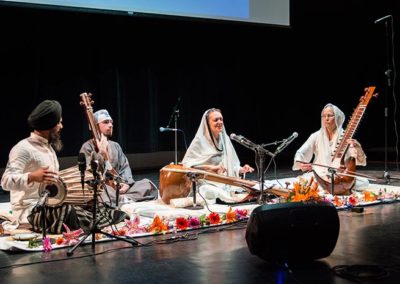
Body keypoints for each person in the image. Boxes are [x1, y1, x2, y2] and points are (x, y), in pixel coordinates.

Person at [1, 100, 127, 233]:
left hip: (52, 204)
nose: (61, 126)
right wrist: (32, 177)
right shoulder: (23, 148)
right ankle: (96, 222)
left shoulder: (48, 149)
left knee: (93, 205)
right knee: (68, 211)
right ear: (49, 125)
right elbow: (5, 181)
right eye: (59, 122)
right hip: (31, 210)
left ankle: (99, 219)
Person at [80, 109, 158, 207]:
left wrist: (126, 184)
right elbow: (90, 175)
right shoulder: (87, 147)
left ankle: (122, 199)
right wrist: (101, 153)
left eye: (111, 122)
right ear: (95, 126)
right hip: (103, 188)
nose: (111, 125)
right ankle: (124, 200)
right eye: (106, 122)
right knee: (101, 194)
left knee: (147, 185)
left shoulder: (115, 146)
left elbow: (124, 167)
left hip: (118, 188)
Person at [181, 108, 254, 203]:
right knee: (207, 190)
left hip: (225, 181)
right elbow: (186, 165)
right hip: (206, 182)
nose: (219, 122)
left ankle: (231, 197)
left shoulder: (225, 139)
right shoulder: (199, 141)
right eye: (216, 120)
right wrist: (210, 168)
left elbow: (232, 165)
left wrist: (241, 169)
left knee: (255, 185)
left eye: (221, 119)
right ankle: (233, 199)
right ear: (207, 124)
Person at [292, 103, 368, 192]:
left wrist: (358, 147)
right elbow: (301, 152)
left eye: (329, 116)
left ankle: (327, 188)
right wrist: (301, 164)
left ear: (337, 117)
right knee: (299, 181)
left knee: (364, 182)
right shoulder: (316, 136)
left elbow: (359, 160)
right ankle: (329, 188)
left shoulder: (346, 136)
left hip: (340, 176)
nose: (326, 119)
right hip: (320, 175)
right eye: (323, 116)